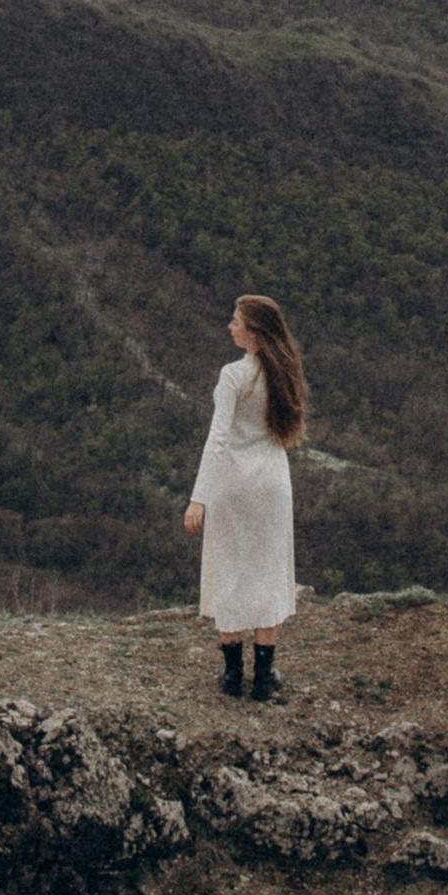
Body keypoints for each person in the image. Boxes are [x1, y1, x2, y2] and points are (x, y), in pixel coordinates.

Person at [183, 293, 305, 700]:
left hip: (232, 485)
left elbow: (217, 439)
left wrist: (199, 497)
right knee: (268, 572)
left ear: (253, 331)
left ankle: (234, 675)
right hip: (272, 484)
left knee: (230, 570)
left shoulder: (233, 376)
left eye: (236, 321)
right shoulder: (284, 373)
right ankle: (264, 678)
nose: (230, 326)